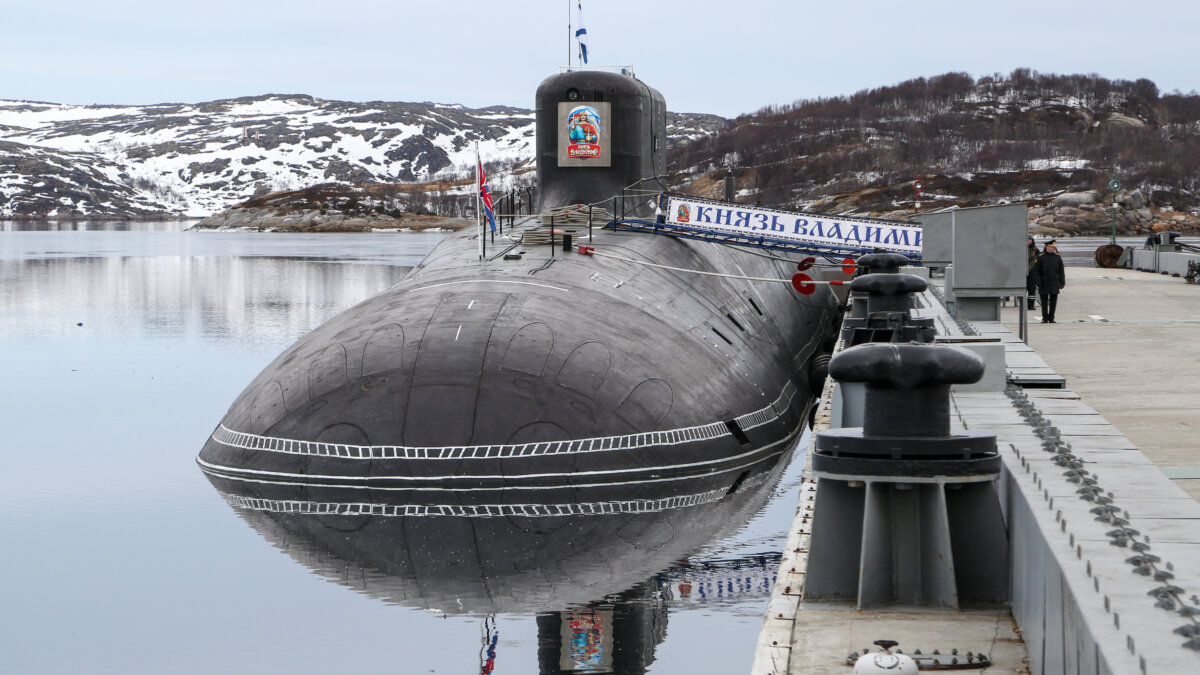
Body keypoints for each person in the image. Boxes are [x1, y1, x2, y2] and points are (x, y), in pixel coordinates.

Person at [1032, 239, 1065, 323]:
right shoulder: (1040, 257)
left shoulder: (1057, 257)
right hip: (1044, 282)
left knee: (1053, 301)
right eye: (1050, 247)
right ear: (1046, 247)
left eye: (1053, 247)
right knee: (1044, 302)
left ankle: (1051, 317)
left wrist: (1062, 281)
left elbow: (1061, 271)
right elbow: (1036, 271)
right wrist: (1038, 281)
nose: (1052, 248)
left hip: (1054, 282)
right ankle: (1045, 317)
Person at [1026, 235, 1040, 310]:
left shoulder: (1036, 250)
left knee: (1032, 289)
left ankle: (1031, 305)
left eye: (1030, 239)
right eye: (1027, 239)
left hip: (1032, 273)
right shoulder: (1021, 249)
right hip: (1023, 273)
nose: (1028, 240)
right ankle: (1022, 304)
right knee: (1022, 289)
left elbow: (1039, 260)